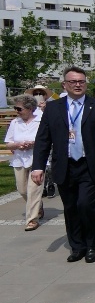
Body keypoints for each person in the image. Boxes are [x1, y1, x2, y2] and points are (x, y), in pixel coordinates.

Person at [31, 66, 95, 263]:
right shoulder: (54, 108)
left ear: (86, 84)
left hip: (89, 165)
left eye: (81, 81)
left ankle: (92, 244)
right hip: (65, 165)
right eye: (73, 82)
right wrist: (38, 166)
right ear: (64, 84)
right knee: (70, 208)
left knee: (86, 205)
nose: (78, 85)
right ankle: (77, 246)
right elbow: (43, 139)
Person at [4, 94, 45, 231]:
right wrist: (18, 145)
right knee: (22, 190)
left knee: (33, 190)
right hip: (19, 160)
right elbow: (8, 143)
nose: (17, 111)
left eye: (19, 108)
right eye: (16, 108)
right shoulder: (15, 123)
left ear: (30, 108)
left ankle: (32, 220)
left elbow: (47, 140)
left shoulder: (41, 121)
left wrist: (33, 144)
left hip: (37, 160)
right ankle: (38, 206)